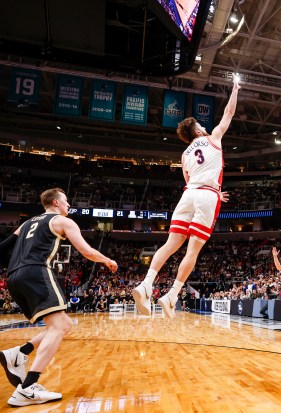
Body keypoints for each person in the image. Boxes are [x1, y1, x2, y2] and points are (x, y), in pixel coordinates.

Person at [132, 78, 240, 318]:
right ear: (198, 130)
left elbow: (189, 178)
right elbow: (229, 112)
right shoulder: (213, 137)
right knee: (193, 250)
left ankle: (146, 284)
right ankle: (171, 296)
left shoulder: (184, 154)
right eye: (201, 124)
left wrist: (210, 187)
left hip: (188, 194)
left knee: (171, 244)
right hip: (206, 196)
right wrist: (235, 90)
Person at [0, 188, 118, 406]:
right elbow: (87, 251)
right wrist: (107, 260)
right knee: (61, 326)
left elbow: (4, 247)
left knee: (61, 324)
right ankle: (27, 387)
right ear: (56, 202)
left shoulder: (26, 223)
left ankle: (19, 353)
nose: (68, 205)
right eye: (66, 201)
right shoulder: (63, 221)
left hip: (14, 277)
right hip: (36, 271)